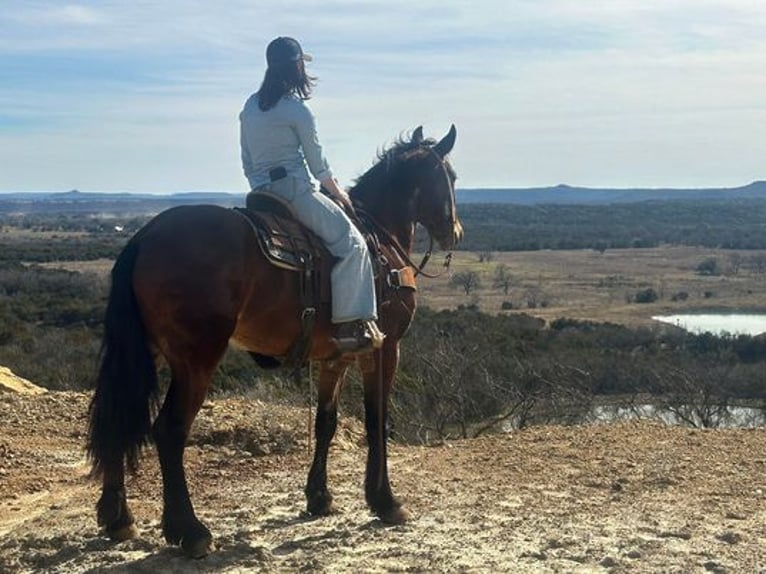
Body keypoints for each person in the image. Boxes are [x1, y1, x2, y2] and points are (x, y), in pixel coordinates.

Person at [239, 36, 381, 355]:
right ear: (298, 67)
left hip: (260, 193)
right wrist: (339, 194)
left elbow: (246, 160)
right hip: (294, 191)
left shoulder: (249, 107)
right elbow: (319, 166)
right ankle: (351, 324)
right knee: (353, 244)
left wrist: (259, 184)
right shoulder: (297, 111)